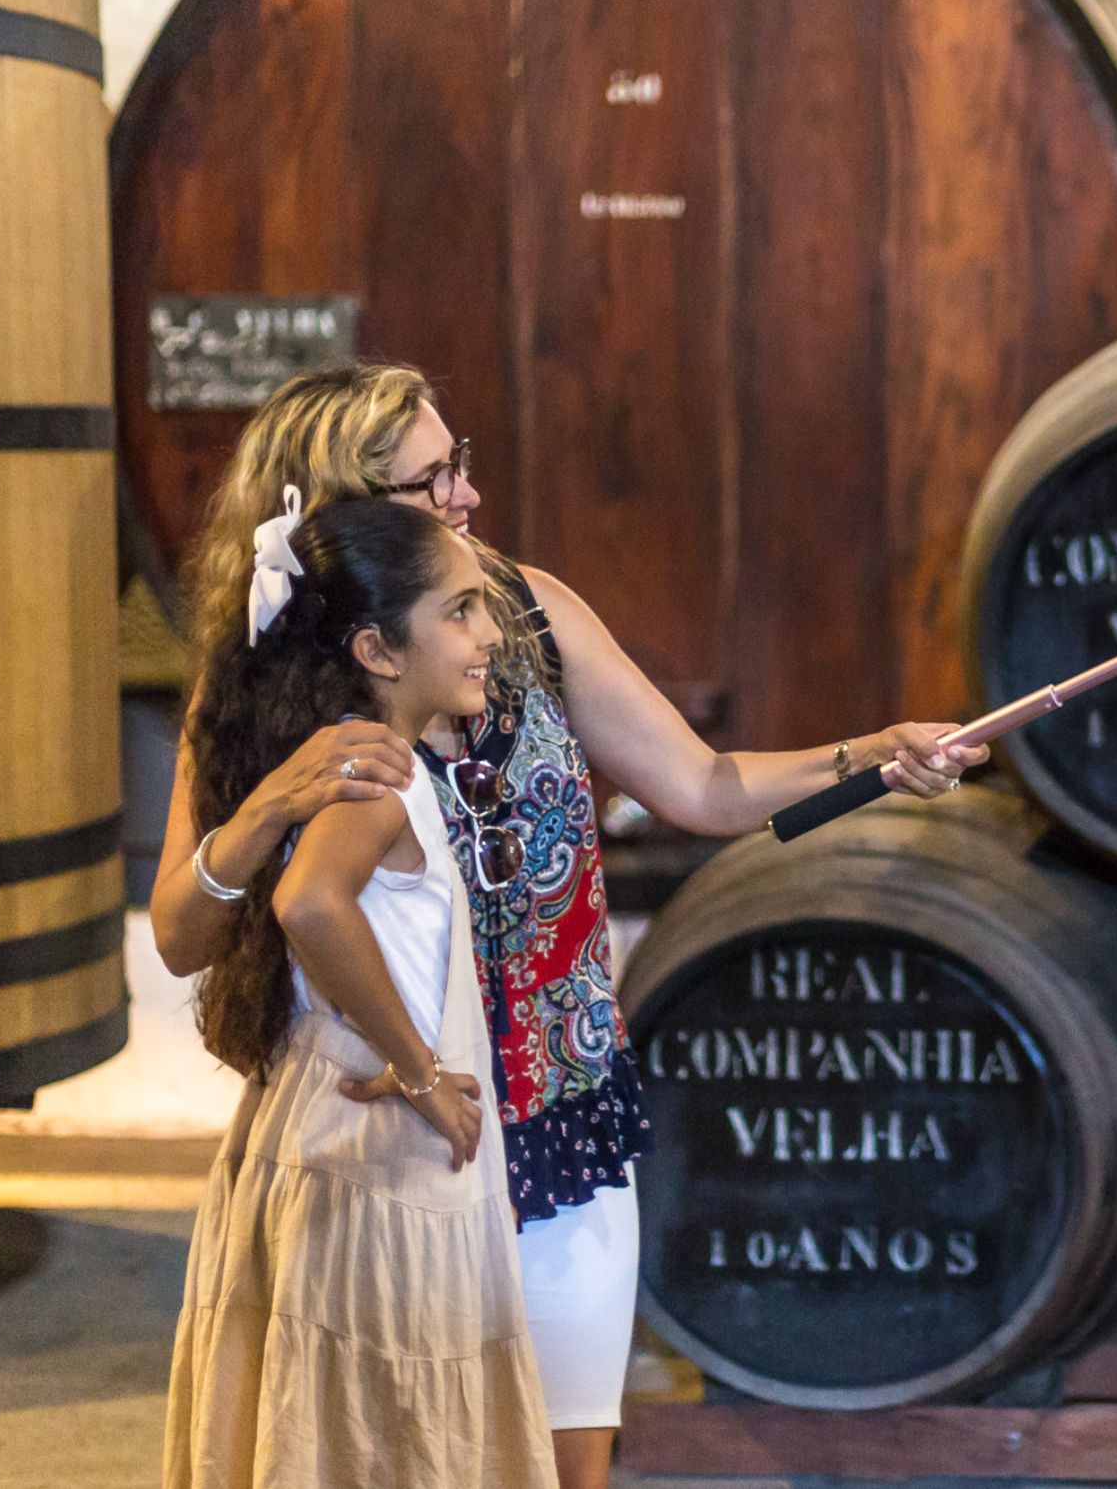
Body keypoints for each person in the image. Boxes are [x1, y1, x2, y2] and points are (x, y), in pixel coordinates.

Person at [150, 364, 986, 1489]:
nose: (466, 495)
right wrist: (259, 813)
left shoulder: (524, 611)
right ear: (345, 510)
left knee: (567, 1464)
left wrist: (871, 757)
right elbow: (183, 936)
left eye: (459, 462)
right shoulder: (255, 679)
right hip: (395, 1140)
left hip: (559, 1114)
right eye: (429, 479)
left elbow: (702, 784)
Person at [166, 494, 556, 1488]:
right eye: (460, 610)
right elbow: (309, 901)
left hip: (333, 1132)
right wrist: (418, 1067)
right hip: (377, 1155)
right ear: (378, 650)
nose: (489, 633)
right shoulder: (377, 771)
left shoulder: (366, 756)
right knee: (383, 1436)